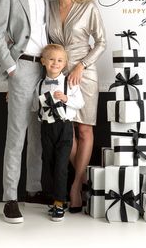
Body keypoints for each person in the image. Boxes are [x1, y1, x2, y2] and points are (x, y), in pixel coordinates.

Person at [0, 0, 50, 223]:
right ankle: (10, 198)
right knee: (16, 136)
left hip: (45, 70)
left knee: (38, 134)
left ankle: (34, 189)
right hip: (22, 68)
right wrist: (12, 69)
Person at [49, 0, 106, 212]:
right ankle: (84, 179)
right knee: (65, 133)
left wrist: (82, 65)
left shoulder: (88, 6)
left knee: (84, 130)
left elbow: (101, 42)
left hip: (84, 76)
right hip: (58, 77)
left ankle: (74, 187)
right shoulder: (48, 6)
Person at [32, 44, 84, 221]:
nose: (55, 63)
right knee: (49, 163)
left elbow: (80, 103)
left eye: (60, 60)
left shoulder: (69, 82)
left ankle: (60, 204)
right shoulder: (39, 84)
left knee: (62, 165)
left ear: (65, 63)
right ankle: (54, 199)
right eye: (51, 59)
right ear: (43, 62)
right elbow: (34, 105)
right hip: (46, 128)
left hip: (64, 128)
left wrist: (66, 98)